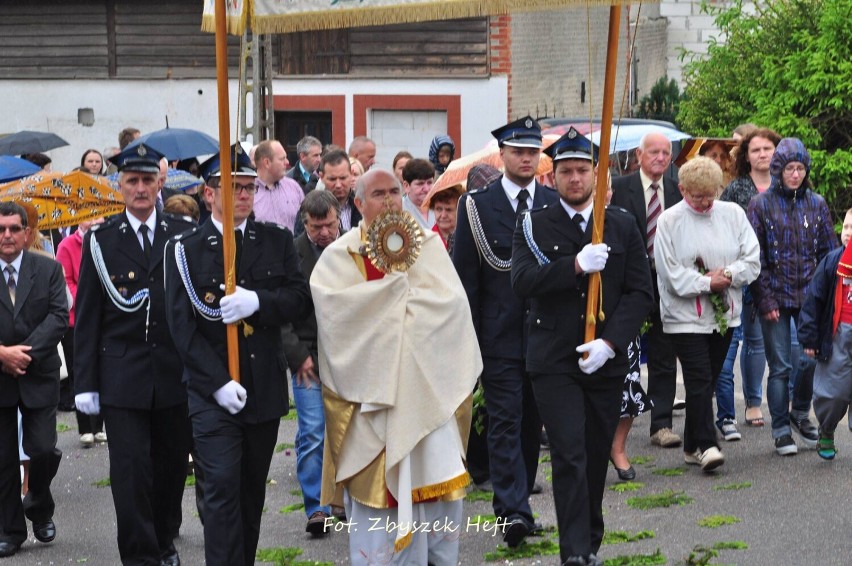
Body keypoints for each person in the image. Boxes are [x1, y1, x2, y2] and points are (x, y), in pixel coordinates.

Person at [311, 168, 481, 564]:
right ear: (357, 203)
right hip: (371, 412)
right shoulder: (340, 257)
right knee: (379, 531)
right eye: (376, 194)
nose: (388, 201)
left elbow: (453, 311)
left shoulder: (428, 247)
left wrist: (398, 313)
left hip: (427, 407)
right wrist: (395, 299)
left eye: (393, 192)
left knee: (436, 512)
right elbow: (337, 322)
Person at [511, 128, 653, 564]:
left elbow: (640, 293)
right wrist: (573, 265)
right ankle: (574, 553)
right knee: (569, 453)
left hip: (604, 361)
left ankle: (589, 536)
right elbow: (522, 282)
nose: (575, 179)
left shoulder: (622, 224)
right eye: (566, 171)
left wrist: (611, 343)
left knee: (593, 457)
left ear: (597, 174)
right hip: (553, 359)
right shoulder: (533, 223)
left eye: (583, 170)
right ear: (552, 178)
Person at [165, 144, 310, 566]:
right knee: (221, 487)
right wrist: (217, 384)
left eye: (249, 187)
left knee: (249, 493)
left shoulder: (276, 241)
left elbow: (299, 300)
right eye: (233, 187)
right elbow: (182, 328)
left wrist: (258, 302)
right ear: (210, 193)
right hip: (212, 394)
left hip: (261, 388)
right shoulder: (185, 250)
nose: (243, 195)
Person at [74, 143, 195, 566]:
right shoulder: (101, 240)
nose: (141, 189)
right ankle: (141, 556)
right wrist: (84, 384)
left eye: (148, 180)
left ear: (160, 183)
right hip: (121, 376)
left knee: (170, 470)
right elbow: (87, 317)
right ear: (119, 185)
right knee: (129, 475)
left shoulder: (181, 234)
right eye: (132, 181)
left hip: (174, 375)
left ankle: (163, 541)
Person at [453, 116, 558, 548]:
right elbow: (467, 279)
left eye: (533, 152)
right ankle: (511, 509)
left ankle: (523, 504)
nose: (527, 158)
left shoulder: (552, 203)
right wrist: (470, 342)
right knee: (503, 420)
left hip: (546, 334)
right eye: (519, 151)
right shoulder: (476, 205)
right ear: (503, 156)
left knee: (532, 423)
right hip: (497, 335)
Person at [655, 156, 761, 471]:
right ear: (682, 188)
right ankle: (707, 444)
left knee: (708, 380)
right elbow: (669, 273)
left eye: (709, 195)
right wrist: (705, 282)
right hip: (683, 317)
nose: (703, 202)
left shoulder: (733, 214)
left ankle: (690, 445)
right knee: (699, 378)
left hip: (724, 315)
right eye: (695, 196)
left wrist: (728, 273)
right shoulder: (669, 220)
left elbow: (752, 259)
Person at [748, 138, 839, 455]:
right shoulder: (760, 206)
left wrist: (828, 297)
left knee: (809, 359)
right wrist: (765, 300)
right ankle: (781, 429)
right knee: (781, 366)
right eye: (790, 168)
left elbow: (830, 254)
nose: (796, 174)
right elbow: (753, 257)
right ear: (779, 170)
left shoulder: (817, 204)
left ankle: (800, 412)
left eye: (801, 168)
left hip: (810, 297)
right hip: (774, 295)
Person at [0, 202, 68, 559]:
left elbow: (59, 316)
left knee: (42, 449)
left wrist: (22, 354)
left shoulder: (48, 268)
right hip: (0, 376)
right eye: (1, 229)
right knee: (3, 459)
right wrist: (2, 354)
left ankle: (39, 504)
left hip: (38, 373)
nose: (7, 235)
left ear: (27, 232)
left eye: (14, 228)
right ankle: (10, 531)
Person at [610, 132, 683, 449]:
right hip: (630, 283)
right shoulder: (621, 188)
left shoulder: (676, 190)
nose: (660, 158)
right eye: (654, 152)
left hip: (665, 281)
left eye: (665, 153)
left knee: (665, 353)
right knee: (623, 352)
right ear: (639, 155)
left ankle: (661, 424)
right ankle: (615, 420)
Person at [280, 190, 340, 536]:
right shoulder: (291, 254)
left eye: (329, 225)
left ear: (338, 218)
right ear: (304, 223)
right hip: (308, 356)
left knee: (348, 433)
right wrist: (297, 355)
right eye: (316, 227)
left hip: (348, 356)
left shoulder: (352, 248)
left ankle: (346, 499)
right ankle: (316, 508)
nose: (323, 233)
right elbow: (282, 313)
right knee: (313, 432)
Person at [717, 127, 781, 431]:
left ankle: (754, 403)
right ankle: (724, 411)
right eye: (756, 150)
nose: (762, 154)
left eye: (768, 149)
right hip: (739, 275)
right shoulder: (736, 189)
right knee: (731, 343)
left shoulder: (786, 184)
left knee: (757, 344)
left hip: (771, 277)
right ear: (746, 155)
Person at [799, 209, 852, 460]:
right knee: (833, 391)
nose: (850, 233)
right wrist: (809, 337)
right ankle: (827, 429)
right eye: (847, 227)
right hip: (837, 334)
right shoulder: (832, 262)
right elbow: (814, 299)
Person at [55, 218, 106, 448]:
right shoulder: (67, 245)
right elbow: (65, 279)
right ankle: (85, 427)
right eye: (90, 216)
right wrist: (86, 298)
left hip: (103, 316)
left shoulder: (105, 239)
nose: (95, 220)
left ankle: (99, 425)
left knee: (104, 370)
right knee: (79, 369)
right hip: (75, 318)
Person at [252, 139, 305, 232]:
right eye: (282, 159)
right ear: (267, 162)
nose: (287, 162)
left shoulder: (294, 187)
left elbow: (305, 222)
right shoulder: (247, 193)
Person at [426, 183, 463, 253]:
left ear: (460, 210)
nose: (443, 215)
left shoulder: (468, 237)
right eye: (439, 209)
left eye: (448, 210)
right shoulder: (427, 241)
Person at [401, 158, 436, 229]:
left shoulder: (440, 207)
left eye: (429, 183)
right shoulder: (399, 210)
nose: (426, 189)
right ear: (406, 186)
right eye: (420, 184)